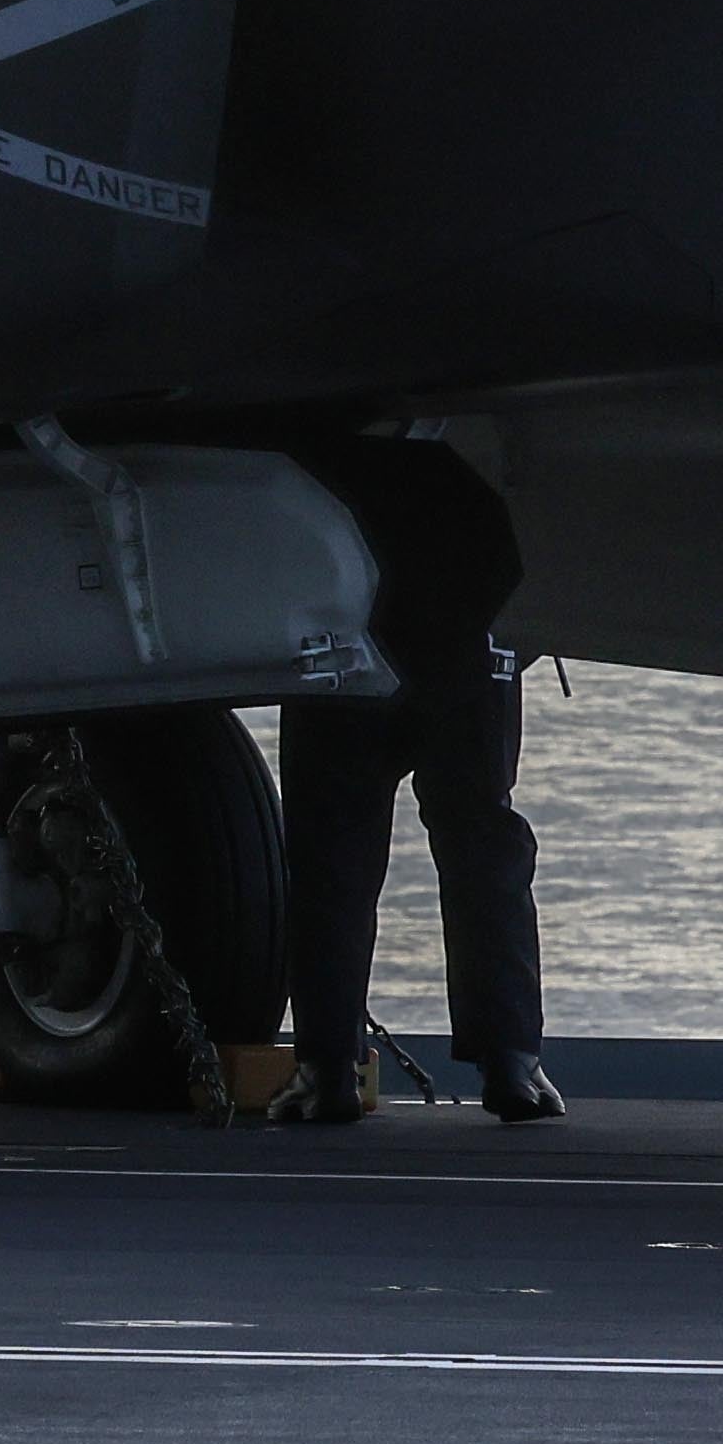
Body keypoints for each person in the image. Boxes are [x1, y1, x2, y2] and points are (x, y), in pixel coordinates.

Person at [272, 432, 561, 1125]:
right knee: (482, 844)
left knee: (331, 859)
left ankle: (326, 1068)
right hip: (463, 657)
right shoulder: (461, 468)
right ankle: (513, 1061)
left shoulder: (316, 468)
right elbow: (511, 570)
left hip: (344, 659)